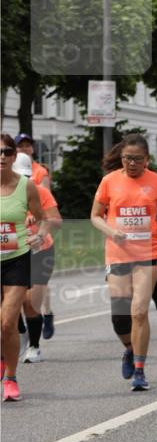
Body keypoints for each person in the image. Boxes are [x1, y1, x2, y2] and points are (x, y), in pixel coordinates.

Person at [91, 134, 157, 391]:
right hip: (117, 253)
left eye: (137, 159)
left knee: (139, 311)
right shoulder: (109, 181)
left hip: (149, 251)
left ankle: (140, 369)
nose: (132, 164)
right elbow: (95, 216)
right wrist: (110, 231)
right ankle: (129, 348)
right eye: (127, 158)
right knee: (120, 316)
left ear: (147, 160)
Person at [1, 133, 48, 402]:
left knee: (8, 322)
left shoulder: (26, 186)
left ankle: (10, 377)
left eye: (8, 152)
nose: (2, 157)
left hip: (16, 259)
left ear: (14, 156)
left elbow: (41, 219)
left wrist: (39, 235)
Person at [13, 153, 62, 362]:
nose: (23, 182)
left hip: (40, 251)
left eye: (27, 177)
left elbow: (57, 221)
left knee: (30, 302)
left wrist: (42, 223)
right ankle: (21, 330)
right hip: (11, 252)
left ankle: (34, 346)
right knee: (10, 304)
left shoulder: (39, 191)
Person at [15, 132, 55, 337]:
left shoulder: (40, 173)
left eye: (27, 145)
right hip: (13, 247)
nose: (24, 148)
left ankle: (44, 317)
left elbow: (46, 207)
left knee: (35, 293)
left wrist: (37, 222)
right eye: (20, 145)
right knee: (17, 297)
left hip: (40, 244)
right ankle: (22, 328)